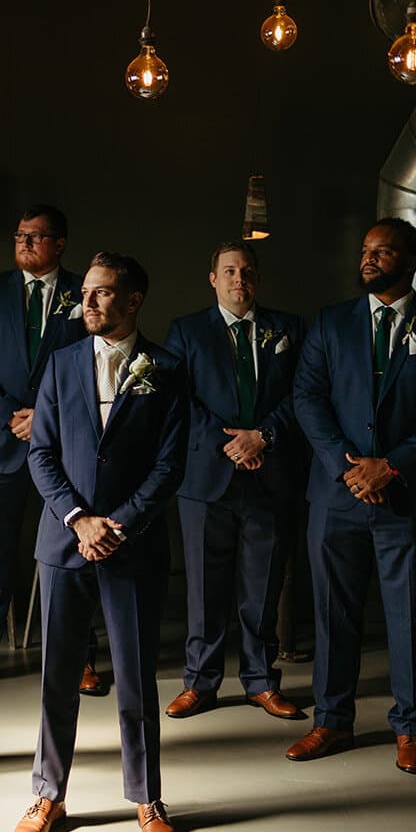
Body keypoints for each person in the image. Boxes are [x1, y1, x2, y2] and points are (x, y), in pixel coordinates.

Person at [12, 252, 188, 832]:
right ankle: (48, 794)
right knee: (57, 679)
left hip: (132, 547)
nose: (86, 303)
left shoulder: (166, 367)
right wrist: (80, 519)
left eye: (102, 294)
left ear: (133, 300)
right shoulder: (60, 365)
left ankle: (146, 797)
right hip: (65, 543)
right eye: (85, 292)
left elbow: (170, 465)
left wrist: (119, 524)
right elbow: (41, 454)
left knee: (137, 679)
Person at [289, 219, 416, 774]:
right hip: (337, 492)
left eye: (383, 250)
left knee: (410, 614)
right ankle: (331, 721)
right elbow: (308, 397)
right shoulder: (330, 322)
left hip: (409, 494)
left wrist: (390, 466)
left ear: (412, 258)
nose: (369, 258)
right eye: (365, 249)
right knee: (332, 613)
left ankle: (411, 729)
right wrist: (345, 466)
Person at [0, 205, 100, 694]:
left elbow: (95, 361)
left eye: (35, 237)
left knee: (72, 557)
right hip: (1, 443)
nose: (24, 244)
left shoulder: (84, 293)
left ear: (59, 244)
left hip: (63, 447)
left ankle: (80, 660)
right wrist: (13, 413)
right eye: (19, 236)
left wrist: (44, 417)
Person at [162, 241, 308, 723]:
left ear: (256, 279)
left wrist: (261, 438)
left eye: (246, 271)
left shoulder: (287, 329)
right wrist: (232, 444)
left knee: (263, 585)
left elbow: (302, 396)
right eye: (229, 271)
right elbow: (178, 401)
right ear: (213, 279)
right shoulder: (186, 331)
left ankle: (261, 681)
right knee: (205, 586)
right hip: (207, 478)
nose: (238, 279)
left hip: (271, 473)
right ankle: (200, 682)